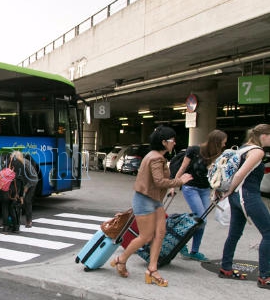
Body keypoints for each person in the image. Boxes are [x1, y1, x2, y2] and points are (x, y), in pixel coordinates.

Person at [110, 126, 192, 287]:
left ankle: (152, 270)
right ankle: (121, 259)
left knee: (160, 233)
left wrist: (170, 187)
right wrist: (179, 181)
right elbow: (159, 181)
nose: (174, 143)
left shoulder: (155, 156)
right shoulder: (156, 158)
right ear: (163, 142)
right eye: (172, 140)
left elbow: (157, 182)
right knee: (146, 236)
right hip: (145, 200)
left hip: (154, 199)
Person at [218, 124, 270, 290]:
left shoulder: (243, 148)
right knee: (269, 233)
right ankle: (265, 276)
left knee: (234, 233)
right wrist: (228, 190)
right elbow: (240, 174)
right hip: (247, 196)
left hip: (237, 197)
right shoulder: (258, 151)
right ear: (263, 136)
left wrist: (229, 193)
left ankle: (225, 268)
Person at [174, 129, 228, 261]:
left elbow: (216, 176)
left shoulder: (218, 155)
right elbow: (182, 167)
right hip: (190, 187)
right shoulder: (194, 150)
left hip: (204, 190)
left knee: (202, 220)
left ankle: (194, 251)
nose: (224, 145)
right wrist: (174, 184)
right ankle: (180, 243)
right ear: (216, 142)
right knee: (201, 219)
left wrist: (218, 190)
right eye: (223, 142)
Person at [11, 151, 39, 228]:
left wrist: (27, 187)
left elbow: (34, 178)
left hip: (32, 183)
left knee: (27, 200)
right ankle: (17, 221)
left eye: (14, 158)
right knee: (18, 200)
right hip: (23, 183)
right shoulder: (16, 164)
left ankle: (29, 221)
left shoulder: (26, 164)